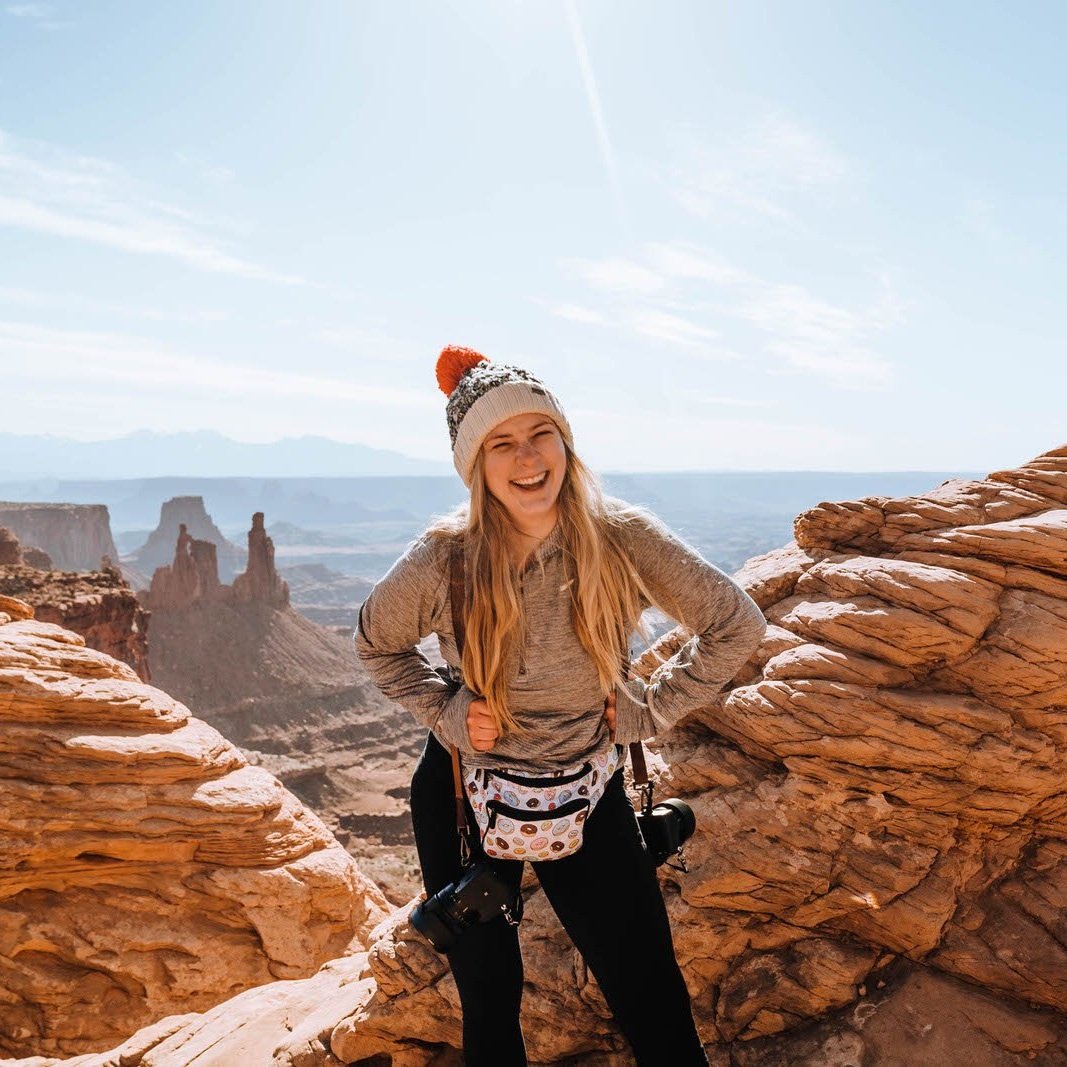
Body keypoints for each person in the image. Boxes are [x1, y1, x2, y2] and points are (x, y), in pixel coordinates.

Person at [355, 345, 767, 1066]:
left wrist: (652, 708)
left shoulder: (618, 537)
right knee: (488, 1001)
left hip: (585, 785)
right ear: (475, 465)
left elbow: (736, 620)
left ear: (565, 439)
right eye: (500, 443)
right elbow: (377, 646)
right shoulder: (444, 557)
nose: (526, 457)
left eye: (539, 432)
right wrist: (446, 714)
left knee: (648, 992)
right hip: (463, 797)